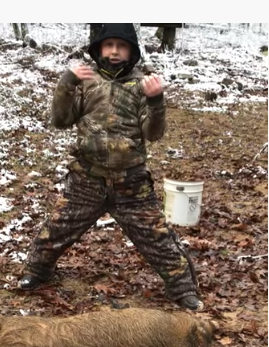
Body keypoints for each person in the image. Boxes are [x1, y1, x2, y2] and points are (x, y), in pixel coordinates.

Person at [18, 23, 202, 310]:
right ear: (99, 48)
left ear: (131, 50)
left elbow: (153, 133)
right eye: (109, 45)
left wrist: (155, 100)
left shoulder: (143, 84)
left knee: (157, 239)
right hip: (87, 179)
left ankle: (183, 288)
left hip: (131, 182)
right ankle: (36, 273)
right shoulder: (86, 81)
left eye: (122, 45)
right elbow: (60, 120)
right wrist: (67, 82)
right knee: (56, 230)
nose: (114, 51)